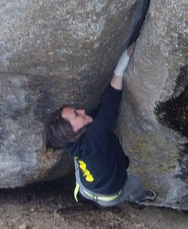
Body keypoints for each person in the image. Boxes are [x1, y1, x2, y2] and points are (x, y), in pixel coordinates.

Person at [43, 43, 156, 207]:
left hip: (86, 188)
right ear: (73, 132)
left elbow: (99, 117)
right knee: (134, 183)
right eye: (76, 115)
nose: (82, 110)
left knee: (81, 159)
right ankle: (140, 198)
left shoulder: (69, 143)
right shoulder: (95, 137)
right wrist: (124, 60)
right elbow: (110, 104)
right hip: (109, 196)